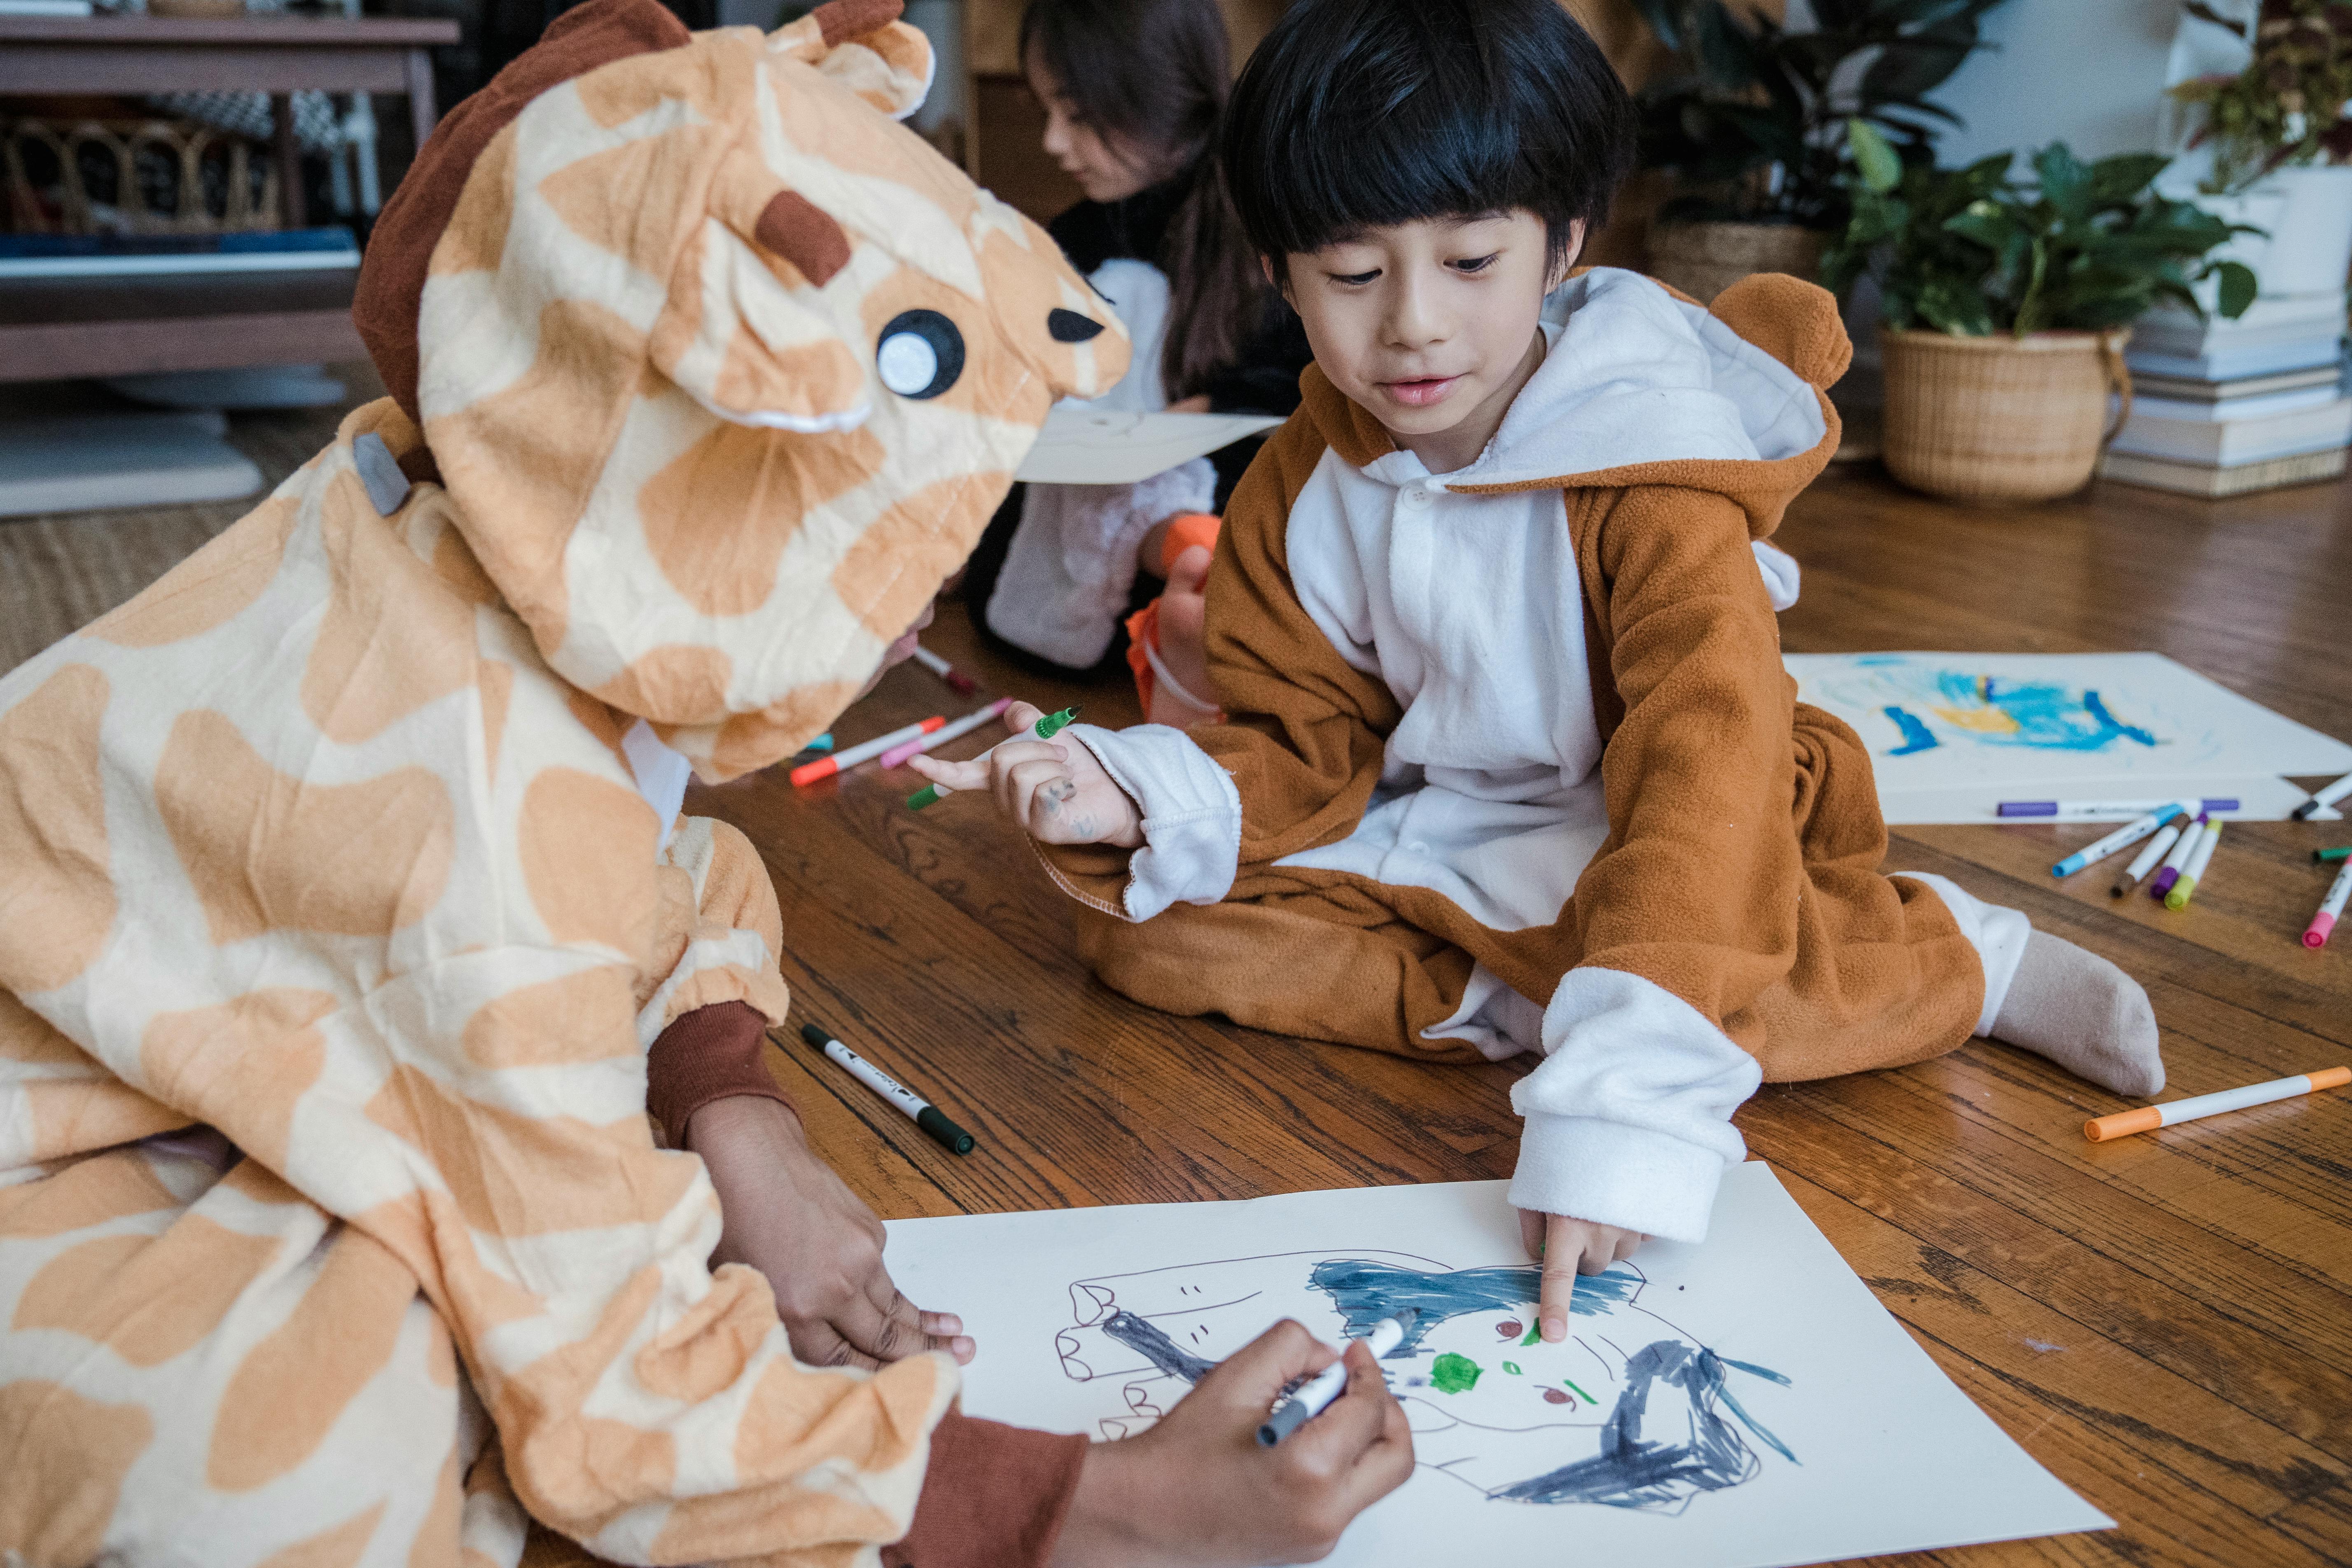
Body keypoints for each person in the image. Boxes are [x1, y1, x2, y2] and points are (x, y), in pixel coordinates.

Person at [0, 2, 1410, 1563]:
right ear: (693, 519)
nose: (908, 622)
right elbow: (610, 1391)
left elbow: (640, 873)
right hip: (61, 1138)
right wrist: (1085, 1502)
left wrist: (734, 1108)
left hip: (196, 1037)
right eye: (872, 559)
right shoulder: (470, 835)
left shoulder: (458, 502)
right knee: (278, 1474)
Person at [911, 0, 2165, 1353]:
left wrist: (1623, 1114)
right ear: (1279, 269)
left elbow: (1706, 762)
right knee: (1143, 935)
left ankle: (1962, 959)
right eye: (1349, 274)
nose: (1411, 328)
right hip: (1434, 826)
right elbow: (1298, 740)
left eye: (1468, 260)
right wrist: (1123, 786)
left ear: (1563, 243)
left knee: (1761, 988)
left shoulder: (1649, 474)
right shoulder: (1302, 476)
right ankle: (1523, 993)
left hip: (1674, 824)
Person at [958, 0, 1310, 707]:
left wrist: (1198, 413)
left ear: (1164, 94)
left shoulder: (1268, 226)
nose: (1055, 142)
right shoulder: (1073, 239)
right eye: (1047, 111)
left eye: (1081, 116)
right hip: (1052, 599)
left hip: (1199, 587)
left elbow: (1310, 381)